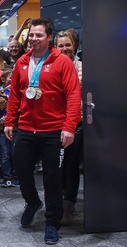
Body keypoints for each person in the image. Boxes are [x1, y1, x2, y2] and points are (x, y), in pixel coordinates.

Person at [4, 18, 81, 245]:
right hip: (26, 128)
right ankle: (32, 202)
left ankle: (51, 223)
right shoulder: (21, 62)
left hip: (53, 131)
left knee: (52, 178)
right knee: (22, 170)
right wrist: (10, 121)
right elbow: (16, 95)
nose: (34, 39)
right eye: (31, 35)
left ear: (49, 37)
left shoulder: (62, 62)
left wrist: (69, 127)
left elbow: (74, 96)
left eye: (39, 35)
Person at [54, 30, 83, 225]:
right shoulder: (50, 66)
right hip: (54, 125)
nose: (65, 49)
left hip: (75, 125)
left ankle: (68, 205)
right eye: (61, 45)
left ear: (74, 46)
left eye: (68, 45)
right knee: (56, 166)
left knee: (70, 166)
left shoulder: (82, 68)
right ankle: (56, 202)